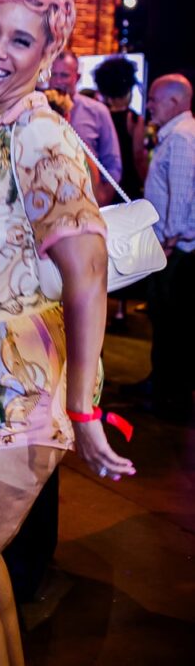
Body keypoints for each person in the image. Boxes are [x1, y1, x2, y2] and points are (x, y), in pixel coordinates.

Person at [0, 0, 135, 666]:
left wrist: (83, 413)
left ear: (46, 56)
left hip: (15, 397)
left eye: (20, 39)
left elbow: (87, 272)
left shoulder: (40, 135)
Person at [143, 73, 195, 421]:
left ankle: (170, 396)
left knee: (174, 324)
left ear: (175, 102)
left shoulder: (180, 137)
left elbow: (182, 194)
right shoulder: (178, 134)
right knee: (166, 322)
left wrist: (168, 241)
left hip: (176, 249)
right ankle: (161, 384)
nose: (148, 105)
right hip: (172, 247)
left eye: (154, 99)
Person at [49, 49, 122, 204]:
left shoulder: (97, 111)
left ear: (77, 77)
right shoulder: (37, 105)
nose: (57, 81)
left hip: (86, 199)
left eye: (64, 75)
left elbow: (113, 164)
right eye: (53, 75)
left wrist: (103, 197)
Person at [93, 55, 148, 199]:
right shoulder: (134, 119)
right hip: (127, 185)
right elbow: (138, 156)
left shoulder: (98, 115)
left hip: (103, 183)